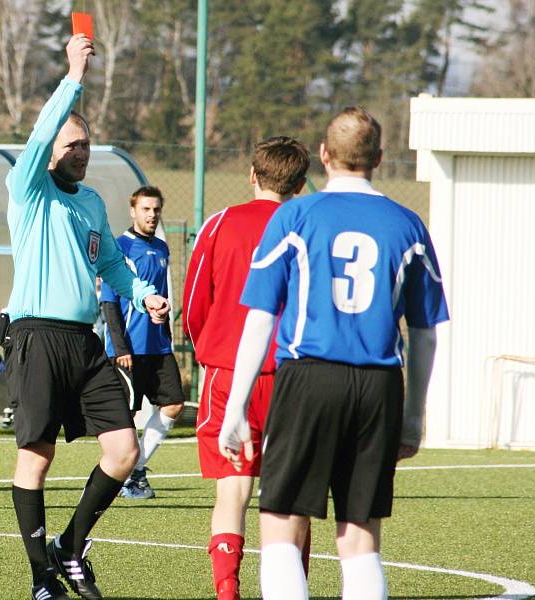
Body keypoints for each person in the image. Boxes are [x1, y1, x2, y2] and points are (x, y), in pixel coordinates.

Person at [219, 107, 450, 600]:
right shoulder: (408, 225)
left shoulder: (296, 215)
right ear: (380, 158)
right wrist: (414, 417)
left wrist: (236, 407)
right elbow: (426, 332)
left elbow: (260, 316)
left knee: (281, 521)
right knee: (360, 533)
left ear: (323, 156)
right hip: (379, 384)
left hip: (308, 378)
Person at [5, 34, 170, 600]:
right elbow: (40, 133)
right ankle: (39, 578)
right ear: (51, 148)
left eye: (87, 145)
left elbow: (113, 268)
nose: (81, 151)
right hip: (35, 338)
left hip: (84, 342)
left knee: (124, 450)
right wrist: (73, 75)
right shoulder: (28, 191)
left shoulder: (93, 202)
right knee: (37, 456)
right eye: (72, 143)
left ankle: (70, 547)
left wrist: (144, 292)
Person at [182, 137, 312, 600]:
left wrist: (209, 354)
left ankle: (227, 591)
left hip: (227, 374)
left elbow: (195, 303)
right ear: (299, 184)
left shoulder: (219, 224)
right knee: (292, 497)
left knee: (232, 493)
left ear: (252, 175)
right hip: (295, 376)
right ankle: (293, 588)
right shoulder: (307, 225)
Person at [101, 185, 184, 500]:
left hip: (158, 346)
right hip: (129, 350)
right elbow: (109, 301)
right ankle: (118, 476)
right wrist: (120, 348)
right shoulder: (120, 246)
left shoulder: (162, 248)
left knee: (174, 403)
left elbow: (162, 296)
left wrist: (165, 324)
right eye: (146, 209)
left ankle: (135, 472)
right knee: (125, 418)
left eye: (156, 209)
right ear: (133, 210)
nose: (152, 215)